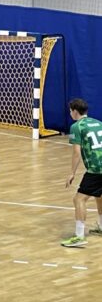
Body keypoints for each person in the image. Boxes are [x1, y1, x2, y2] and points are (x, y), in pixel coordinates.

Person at [61, 98, 102, 247]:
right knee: (99, 195)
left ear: (75, 111)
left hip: (96, 169)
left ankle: (79, 236)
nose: (70, 113)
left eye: (70, 111)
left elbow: (76, 153)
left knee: (79, 199)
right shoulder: (98, 123)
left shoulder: (76, 127)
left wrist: (72, 172)